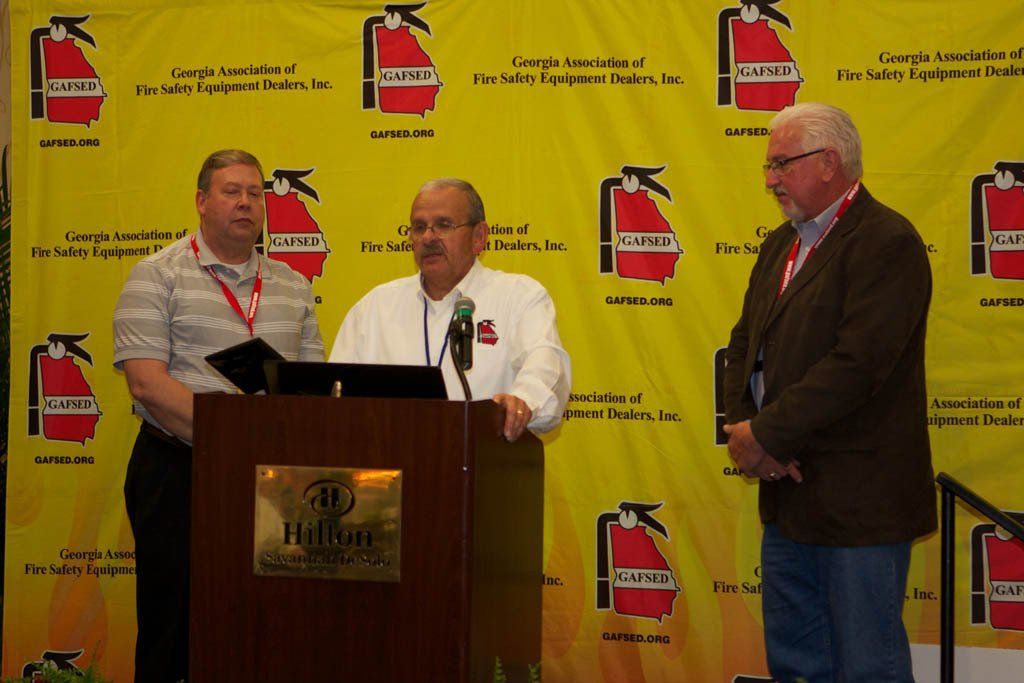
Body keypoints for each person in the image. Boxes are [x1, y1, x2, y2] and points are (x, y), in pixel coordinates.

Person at [722, 103, 935, 683]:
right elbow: (744, 346)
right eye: (768, 166)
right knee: (795, 664)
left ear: (829, 162)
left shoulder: (886, 240)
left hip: (859, 503)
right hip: (787, 495)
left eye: (781, 164)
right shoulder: (779, 246)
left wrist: (766, 434)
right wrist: (745, 433)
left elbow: (857, 365)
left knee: (867, 667)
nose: (769, 179)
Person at [113, 149, 324, 682]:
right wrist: (232, 439)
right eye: (231, 191)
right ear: (202, 202)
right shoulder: (155, 275)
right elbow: (147, 383)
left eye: (255, 193)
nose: (246, 203)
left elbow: (310, 389)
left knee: (262, 620)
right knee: (173, 624)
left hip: (271, 481)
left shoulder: (293, 286)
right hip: (178, 471)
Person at [330, 177, 570, 441]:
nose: (428, 237)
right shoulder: (375, 307)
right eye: (419, 227)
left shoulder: (519, 297)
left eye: (444, 225)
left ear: (479, 237)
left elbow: (546, 365)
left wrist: (523, 401)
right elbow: (335, 395)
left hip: (484, 467)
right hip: (389, 472)